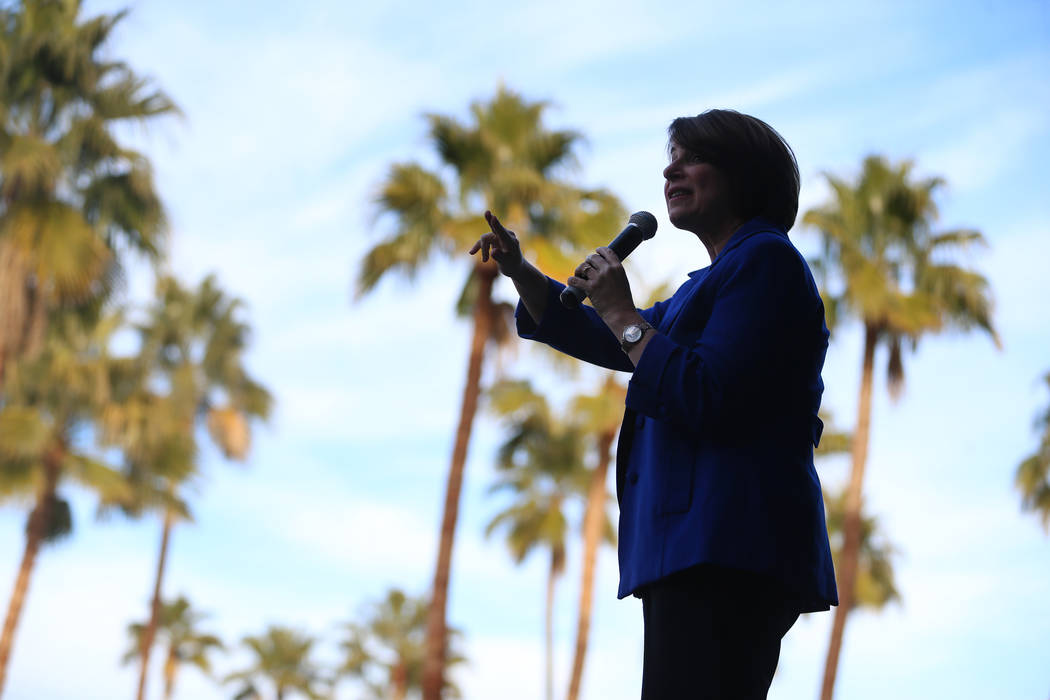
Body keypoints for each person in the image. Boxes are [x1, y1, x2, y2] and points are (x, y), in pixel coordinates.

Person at [470, 109, 837, 699]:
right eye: (672, 158)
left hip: (727, 546)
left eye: (693, 158)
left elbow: (704, 391)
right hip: (698, 550)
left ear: (744, 173)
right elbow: (615, 341)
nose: (672, 169)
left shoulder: (765, 261)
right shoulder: (708, 283)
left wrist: (620, 312)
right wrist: (521, 272)